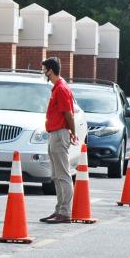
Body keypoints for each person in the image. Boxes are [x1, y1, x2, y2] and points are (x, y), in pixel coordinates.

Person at [39, 57, 78, 224]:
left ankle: (65, 211)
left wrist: (72, 132)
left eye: (44, 70)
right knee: (56, 175)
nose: (43, 73)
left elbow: (68, 114)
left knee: (63, 174)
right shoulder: (56, 88)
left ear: (50, 71)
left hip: (59, 134)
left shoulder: (61, 89)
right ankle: (59, 209)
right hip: (54, 134)